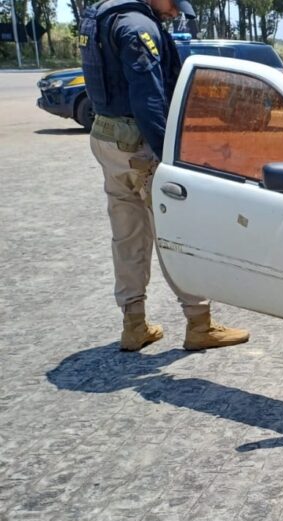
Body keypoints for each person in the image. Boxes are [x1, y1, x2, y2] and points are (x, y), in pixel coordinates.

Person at [80, 0, 249, 352]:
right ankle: (199, 323)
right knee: (176, 233)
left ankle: (134, 325)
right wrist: (170, 157)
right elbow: (149, 101)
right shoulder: (138, 28)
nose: (174, 12)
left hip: (108, 139)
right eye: (174, 3)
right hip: (140, 148)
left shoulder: (103, 16)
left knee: (126, 236)